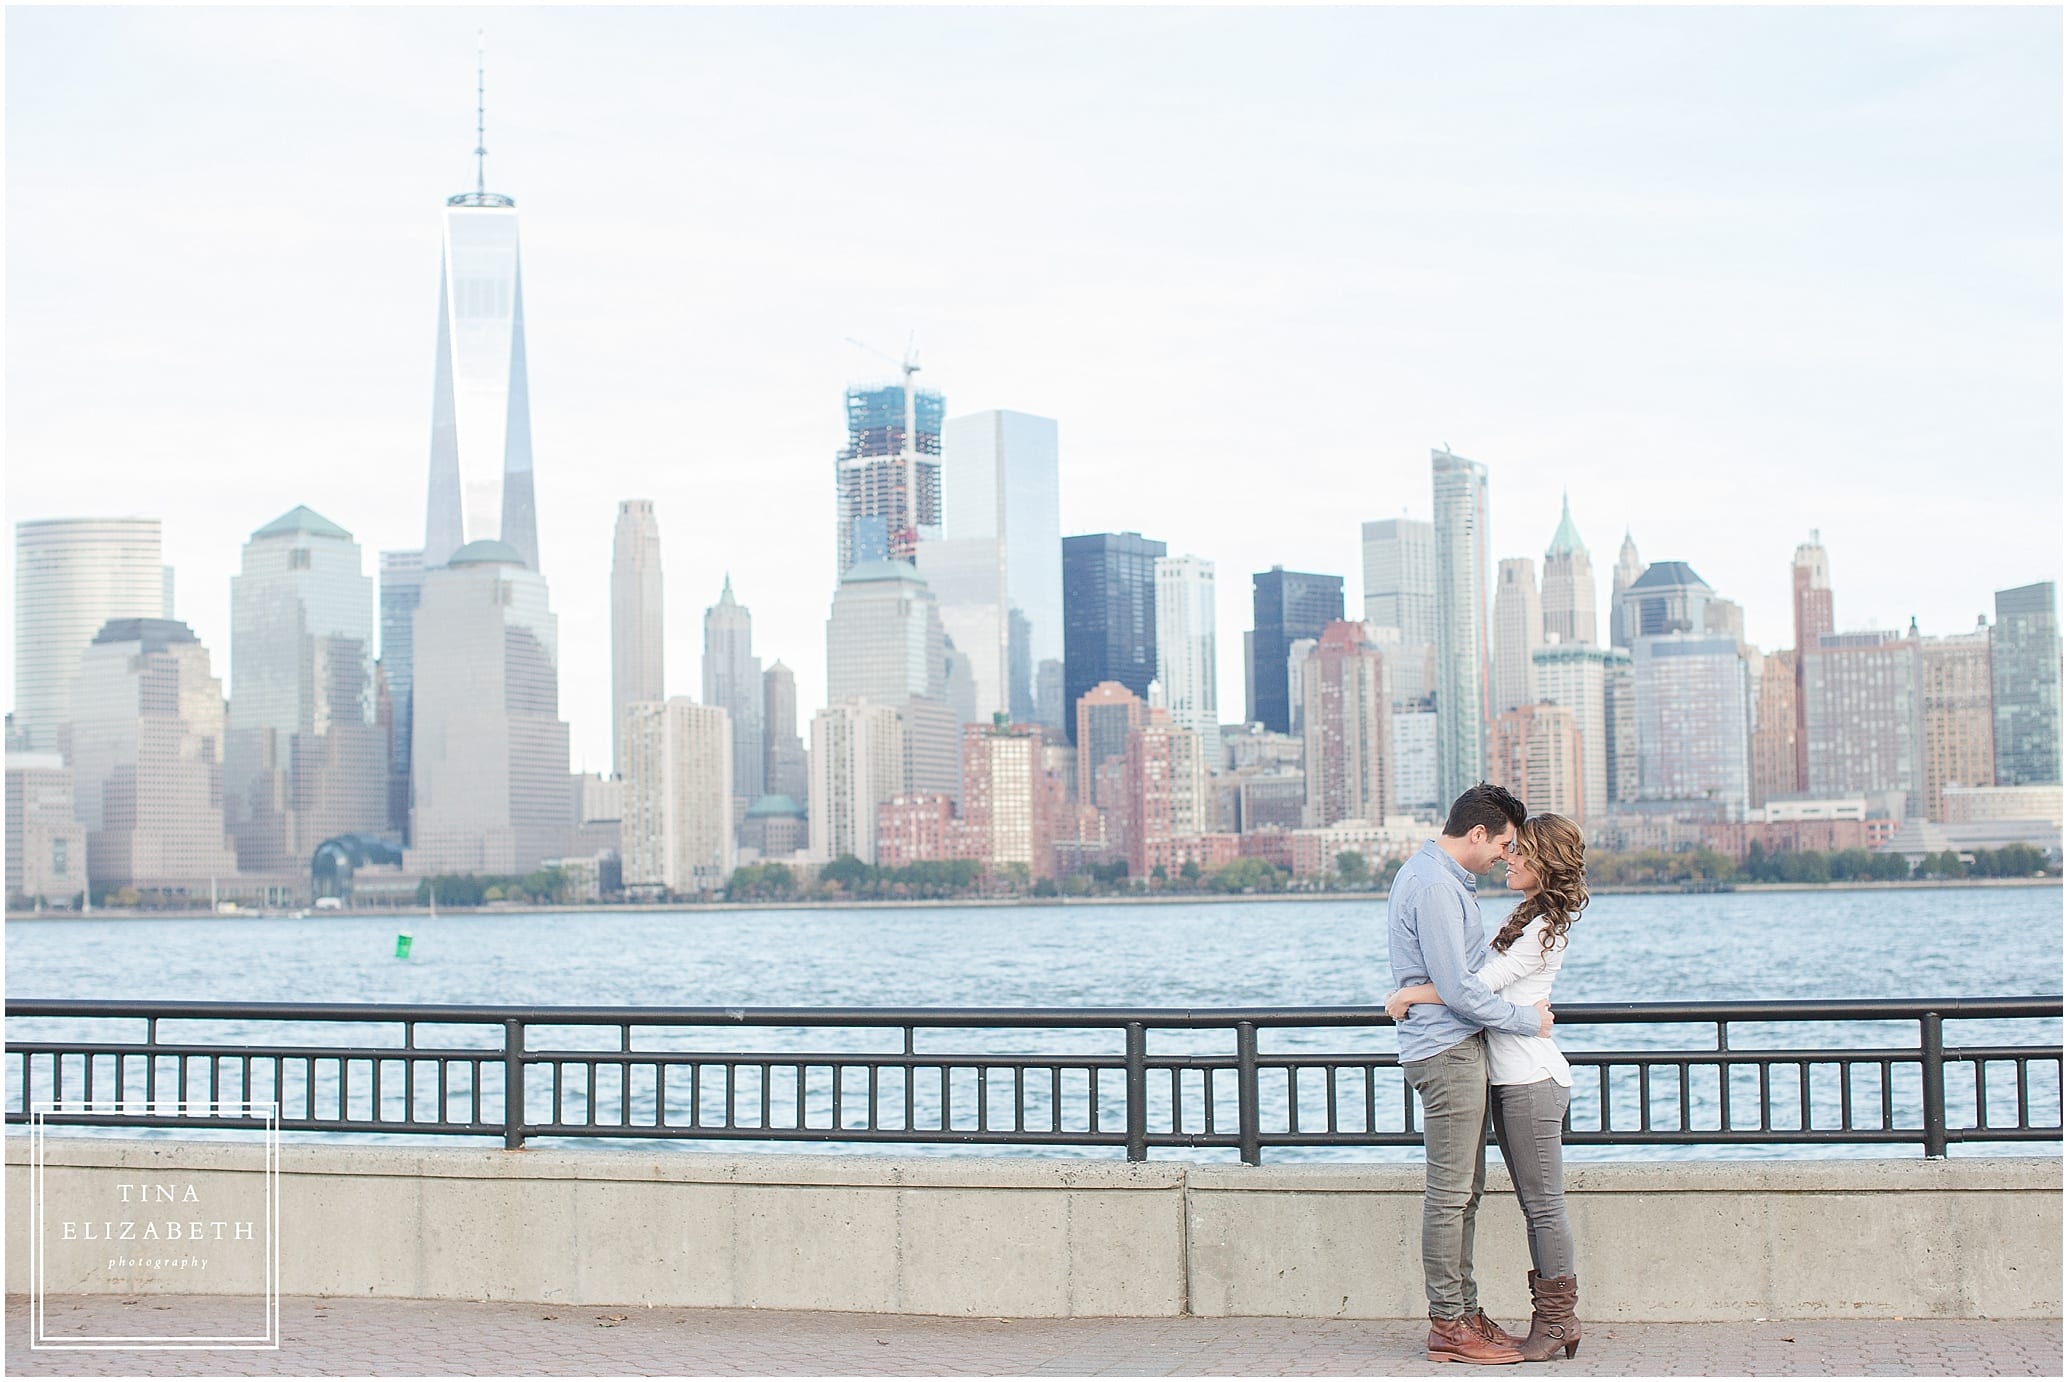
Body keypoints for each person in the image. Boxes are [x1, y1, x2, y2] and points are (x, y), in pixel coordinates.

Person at [1388, 812, 1587, 1362]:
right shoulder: (1526, 918)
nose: (1509, 857)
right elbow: (1477, 985)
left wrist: (1410, 996)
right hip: (1509, 1075)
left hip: (1529, 1077)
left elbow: (1474, 986)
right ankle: (1544, 1321)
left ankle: (1554, 1323)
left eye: (1519, 850)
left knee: (1543, 1207)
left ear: (1545, 860)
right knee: (1529, 1204)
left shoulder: (1543, 925)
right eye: (1508, 846)